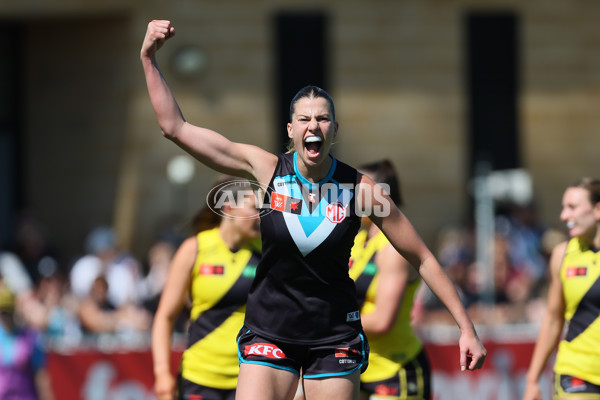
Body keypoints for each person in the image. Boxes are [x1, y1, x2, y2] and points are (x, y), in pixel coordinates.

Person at [141, 20, 486, 400]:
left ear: (334, 128)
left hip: (333, 337)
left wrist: (465, 327)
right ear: (290, 129)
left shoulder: (360, 189)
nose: (313, 125)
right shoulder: (266, 169)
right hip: (269, 332)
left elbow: (421, 257)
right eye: (304, 119)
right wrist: (148, 59)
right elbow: (175, 127)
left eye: (322, 118)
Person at [151, 176, 262, 400]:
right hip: (199, 376)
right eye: (255, 208)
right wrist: (162, 373)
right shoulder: (195, 249)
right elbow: (165, 317)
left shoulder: (264, 251)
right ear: (229, 207)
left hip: (250, 376)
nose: (261, 216)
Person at [349, 160, 431, 400]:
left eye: (356, 190)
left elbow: (382, 321)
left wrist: (324, 324)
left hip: (395, 372)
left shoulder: (394, 249)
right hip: (359, 367)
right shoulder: (356, 241)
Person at [522, 177, 600, 400]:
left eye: (572, 207)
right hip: (577, 372)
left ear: (597, 210)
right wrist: (532, 380)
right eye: (564, 208)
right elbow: (553, 319)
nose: (564, 216)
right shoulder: (562, 255)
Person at [0, 283, 54, 400]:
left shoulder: (31, 337)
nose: (5, 316)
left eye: (8, 311)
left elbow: (41, 375)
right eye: (3, 311)